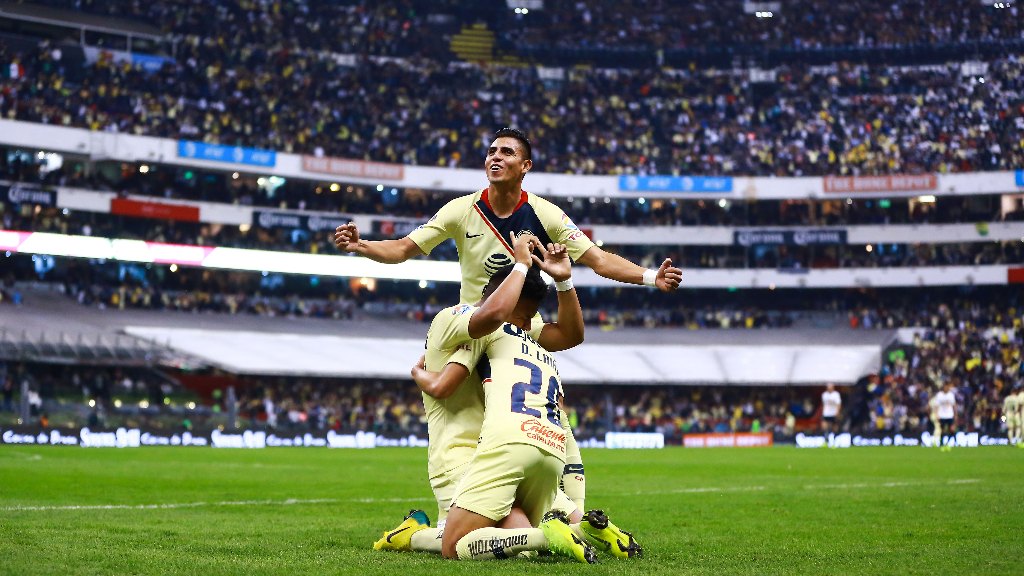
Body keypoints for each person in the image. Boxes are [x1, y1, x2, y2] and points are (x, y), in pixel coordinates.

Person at [342, 127, 662, 550]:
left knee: (550, 420)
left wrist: (650, 276)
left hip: (517, 322)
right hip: (473, 327)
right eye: (491, 151)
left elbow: (598, 260)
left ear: (524, 167)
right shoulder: (462, 209)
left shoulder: (545, 215)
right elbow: (404, 248)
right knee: (514, 428)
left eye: (506, 152)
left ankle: (558, 521)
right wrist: (363, 247)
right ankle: (561, 522)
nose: (494, 157)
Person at [373, 234, 638, 561]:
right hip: (494, 449)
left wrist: (416, 373)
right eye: (526, 317)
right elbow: (499, 319)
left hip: (494, 447)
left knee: (474, 544)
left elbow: (445, 384)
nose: (530, 324)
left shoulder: (499, 330)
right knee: (541, 524)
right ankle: (579, 530)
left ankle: (415, 535)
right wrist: (548, 276)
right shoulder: (463, 321)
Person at [932, 382, 957, 451]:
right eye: (945, 387)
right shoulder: (939, 395)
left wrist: (955, 415)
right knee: (942, 430)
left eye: (947, 387)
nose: (946, 388)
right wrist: (936, 415)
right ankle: (942, 444)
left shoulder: (951, 395)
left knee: (952, 429)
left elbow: (954, 405)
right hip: (942, 415)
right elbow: (936, 406)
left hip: (950, 415)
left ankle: (949, 443)